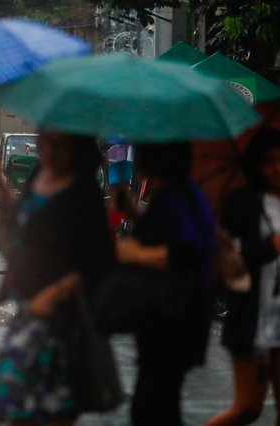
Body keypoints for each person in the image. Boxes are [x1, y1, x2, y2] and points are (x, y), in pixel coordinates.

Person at [0, 130, 116, 425]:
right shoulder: (36, 177)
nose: (48, 151)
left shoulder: (84, 193)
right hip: (28, 312)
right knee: (10, 406)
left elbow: (100, 260)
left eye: (58, 145)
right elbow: (21, 225)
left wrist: (56, 293)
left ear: (76, 148)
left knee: (54, 410)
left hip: (63, 323)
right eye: (43, 142)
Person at [113, 143, 214, 426]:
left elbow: (185, 250)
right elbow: (167, 233)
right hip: (177, 316)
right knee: (159, 402)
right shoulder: (183, 193)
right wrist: (132, 212)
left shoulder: (176, 196)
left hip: (173, 318)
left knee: (153, 406)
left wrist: (134, 254)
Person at [206, 128, 280, 426]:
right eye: (269, 161)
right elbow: (231, 259)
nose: (277, 167)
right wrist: (268, 247)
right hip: (252, 317)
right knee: (248, 407)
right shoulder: (243, 203)